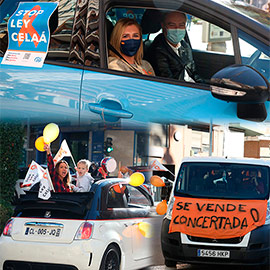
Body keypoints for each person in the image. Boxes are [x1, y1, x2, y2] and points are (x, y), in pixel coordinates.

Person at [146, 11, 203, 82]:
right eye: (172, 25)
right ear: (163, 26)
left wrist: (202, 84)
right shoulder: (157, 50)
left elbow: (193, 72)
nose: (177, 29)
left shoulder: (184, 45)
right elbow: (168, 81)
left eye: (181, 25)